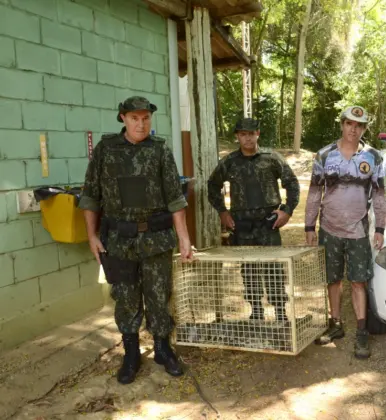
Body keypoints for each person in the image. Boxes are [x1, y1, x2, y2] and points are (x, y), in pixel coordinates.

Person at [79, 96, 193, 385]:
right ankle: (131, 353)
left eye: (145, 118)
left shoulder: (160, 150)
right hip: (118, 240)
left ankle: (163, 349)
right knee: (126, 297)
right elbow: (91, 195)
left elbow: (175, 198)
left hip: (156, 238)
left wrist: (184, 239)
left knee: (159, 294)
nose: (141, 124)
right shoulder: (106, 150)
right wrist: (91, 236)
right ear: (123, 119)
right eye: (134, 118)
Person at [305, 105, 386, 359]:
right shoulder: (324, 155)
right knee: (333, 279)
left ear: (364, 129)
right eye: (350, 124)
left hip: (358, 229)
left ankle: (362, 331)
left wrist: (381, 227)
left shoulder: (374, 157)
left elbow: (380, 195)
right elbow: (315, 192)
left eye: (359, 125)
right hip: (329, 227)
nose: (354, 129)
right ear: (342, 124)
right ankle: (336, 324)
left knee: (359, 281)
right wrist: (309, 225)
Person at [207, 118, 300, 322]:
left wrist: (287, 211)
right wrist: (223, 211)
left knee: (273, 267)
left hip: (268, 223)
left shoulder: (271, 158)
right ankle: (256, 311)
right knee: (248, 268)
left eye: (251, 133)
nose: (247, 138)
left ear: (258, 133)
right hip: (242, 225)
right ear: (237, 136)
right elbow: (212, 186)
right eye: (242, 134)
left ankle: (280, 313)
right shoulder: (229, 162)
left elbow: (292, 183)